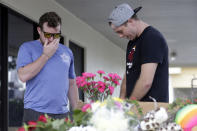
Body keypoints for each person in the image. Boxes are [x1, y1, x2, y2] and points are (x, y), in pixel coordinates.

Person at [16, 12, 79, 123]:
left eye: (56, 35)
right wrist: (45, 55)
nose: (51, 39)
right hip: (35, 111)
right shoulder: (27, 48)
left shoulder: (67, 52)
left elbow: (71, 83)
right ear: (39, 30)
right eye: (48, 35)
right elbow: (22, 76)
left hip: (62, 113)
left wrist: (76, 112)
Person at [108, 3, 169, 102]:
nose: (120, 36)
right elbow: (128, 73)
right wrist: (121, 101)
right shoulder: (132, 43)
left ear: (130, 21)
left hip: (152, 110)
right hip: (136, 107)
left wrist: (129, 104)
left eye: (120, 31)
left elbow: (146, 82)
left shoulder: (152, 38)